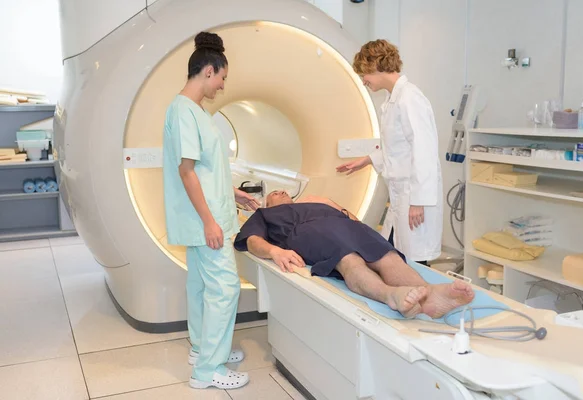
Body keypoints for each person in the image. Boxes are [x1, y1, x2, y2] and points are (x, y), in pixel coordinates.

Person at [162, 31, 259, 390]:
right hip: (205, 219)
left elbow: (204, 169)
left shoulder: (192, 110)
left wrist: (235, 193)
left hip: (209, 212)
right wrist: (209, 221)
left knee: (202, 286)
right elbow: (185, 171)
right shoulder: (185, 111)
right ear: (208, 71)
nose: (221, 85)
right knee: (225, 288)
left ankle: (203, 347)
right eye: (221, 77)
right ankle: (208, 370)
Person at [234, 191, 474, 319]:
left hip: (347, 225)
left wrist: (335, 207)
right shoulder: (267, 216)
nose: (282, 192)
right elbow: (252, 241)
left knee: (385, 254)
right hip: (308, 232)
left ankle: (429, 295)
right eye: (275, 192)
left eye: (285, 191)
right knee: (349, 259)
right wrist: (276, 251)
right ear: (265, 203)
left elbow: (355, 222)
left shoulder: (320, 202)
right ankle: (391, 295)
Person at [336, 39, 443, 267]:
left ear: (376, 66)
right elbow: (396, 149)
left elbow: (424, 152)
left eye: (364, 74)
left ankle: (422, 299)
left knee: (415, 261)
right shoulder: (392, 100)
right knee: (398, 254)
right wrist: (366, 160)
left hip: (413, 198)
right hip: (401, 196)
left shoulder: (410, 99)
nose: (364, 81)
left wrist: (418, 202)